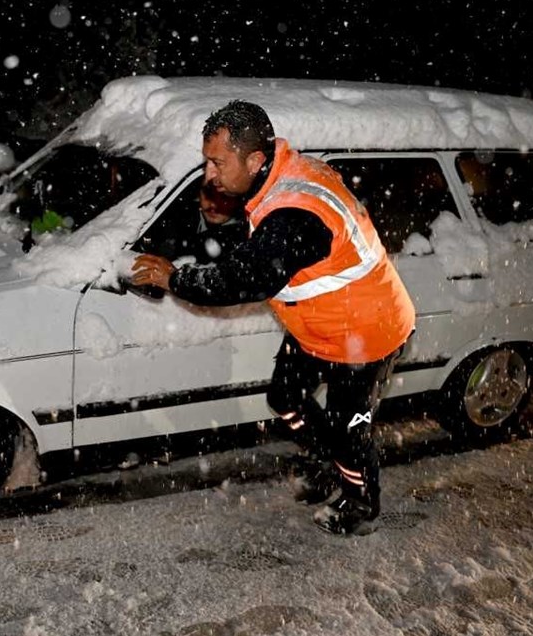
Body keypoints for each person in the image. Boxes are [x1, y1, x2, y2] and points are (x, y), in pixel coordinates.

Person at [131, 101, 416, 535]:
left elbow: (246, 279)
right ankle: (327, 462)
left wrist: (176, 279)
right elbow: (260, 249)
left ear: (255, 160)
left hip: (366, 332)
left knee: (347, 427)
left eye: (216, 162)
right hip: (318, 326)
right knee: (285, 397)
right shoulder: (280, 177)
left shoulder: (294, 213)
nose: (209, 174)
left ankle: (360, 504)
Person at [136, 179, 248, 265]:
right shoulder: (179, 214)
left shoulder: (244, 236)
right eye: (209, 194)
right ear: (198, 196)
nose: (213, 205)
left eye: (224, 197)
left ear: (237, 200)